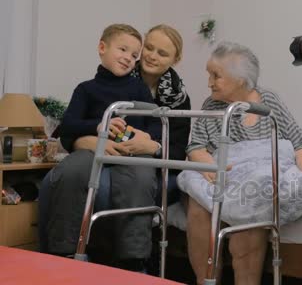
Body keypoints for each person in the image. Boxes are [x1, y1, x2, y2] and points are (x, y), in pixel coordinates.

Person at [43, 23, 191, 272]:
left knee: (138, 176)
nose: (149, 56)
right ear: (103, 48)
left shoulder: (155, 94)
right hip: (92, 152)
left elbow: (163, 133)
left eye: (162, 53)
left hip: (135, 156)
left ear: (175, 60)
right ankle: (63, 254)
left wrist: (149, 142)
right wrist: (91, 135)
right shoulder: (89, 88)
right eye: (148, 49)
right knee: (71, 171)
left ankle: (133, 260)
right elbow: (69, 128)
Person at [183, 41, 302, 285]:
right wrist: (211, 168)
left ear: (240, 79)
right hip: (225, 175)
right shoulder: (212, 105)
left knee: (253, 197)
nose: (209, 82)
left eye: (215, 76)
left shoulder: (268, 100)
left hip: (257, 177)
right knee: (198, 200)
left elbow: (300, 142)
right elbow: (196, 147)